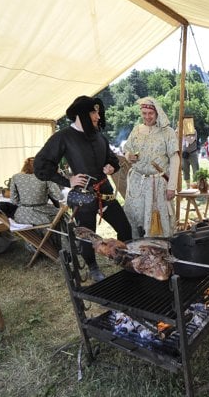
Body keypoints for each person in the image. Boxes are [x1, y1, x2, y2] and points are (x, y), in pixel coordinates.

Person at [34, 95, 132, 282]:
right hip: (83, 197)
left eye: (98, 112)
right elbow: (41, 164)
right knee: (87, 236)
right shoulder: (63, 137)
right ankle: (93, 267)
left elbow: (111, 159)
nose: (98, 116)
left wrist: (112, 166)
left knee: (124, 227)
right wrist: (67, 180)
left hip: (106, 193)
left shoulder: (99, 136)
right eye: (93, 112)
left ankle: (124, 260)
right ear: (81, 114)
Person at [123, 97, 179, 239]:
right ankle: (137, 248)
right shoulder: (136, 130)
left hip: (158, 184)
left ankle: (159, 251)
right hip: (137, 183)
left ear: (157, 113)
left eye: (150, 113)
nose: (147, 117)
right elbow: (126, 150)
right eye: (144, 113)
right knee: (136, 217)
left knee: (158, 219)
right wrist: (129, 156)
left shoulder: (168, 132)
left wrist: (171, 186)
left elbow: (175, 159)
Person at [10, 157, 63, 225]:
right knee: (63, 215)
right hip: (41, 216)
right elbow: (59, 196)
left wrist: (26, 205)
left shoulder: (15, 177)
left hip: (22, 216)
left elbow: (14, 201)